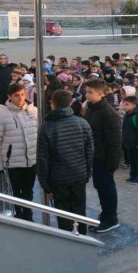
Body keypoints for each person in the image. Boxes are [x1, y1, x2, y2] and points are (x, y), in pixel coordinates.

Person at [37, 90, 93, 234]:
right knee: (79, 209)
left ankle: (68, 239)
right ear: (70, 103)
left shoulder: (46, 127)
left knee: (63, 213)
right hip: (78, 175)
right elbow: (89, 152)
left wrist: (45, 185)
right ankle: (82, 237)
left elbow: (42, 158)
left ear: (52, 104)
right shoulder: (82, 123)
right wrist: (87, 173)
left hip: (59, 178)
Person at [0, 83, 39, 221]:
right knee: (16, 192)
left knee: (28, 191)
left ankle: (28, 216)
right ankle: (19, 215)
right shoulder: (2, 115)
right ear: (9, 97)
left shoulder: (34, 111)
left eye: (22, 94)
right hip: (13, 162)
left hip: (31, 160)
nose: (20, 98)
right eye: (16, 95)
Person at [83, 78, 123, 233]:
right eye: (86, 91)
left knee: (107, 188)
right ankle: (105, 213)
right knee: (100, 187)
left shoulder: (108, 112)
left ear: (100, 93)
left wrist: (112, 164)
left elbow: (114, 141)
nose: (87, 95)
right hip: (95, 156)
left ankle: (111, 218)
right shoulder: (91, 108)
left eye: (90, 92)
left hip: (104, 158)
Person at [121, 96, 138, 184]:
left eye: (127, 104)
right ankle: (132, 175)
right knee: (132, 160)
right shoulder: (126, 115)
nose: (125, 106)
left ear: (134, 105)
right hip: (129, 143)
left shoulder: (137, 116)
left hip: (137, 144)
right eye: (124, 104)